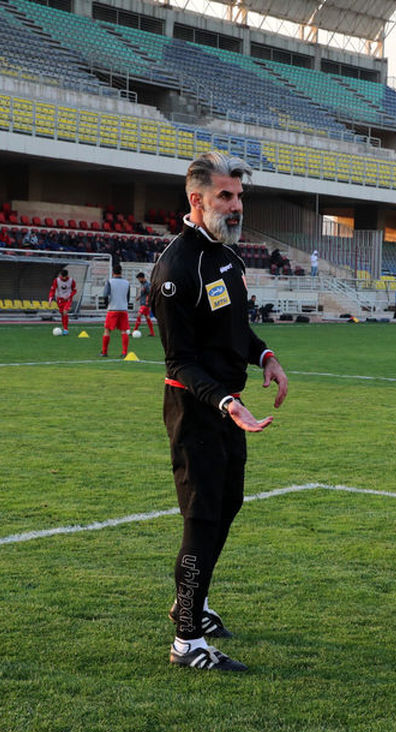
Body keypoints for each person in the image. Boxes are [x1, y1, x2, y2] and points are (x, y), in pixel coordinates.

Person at [150, 152, 288, 672]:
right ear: (197, 200)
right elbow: (179, 361)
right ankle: (187, 643)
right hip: (196, 409)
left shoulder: (229, 258)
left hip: (230, 408)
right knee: (202, 516)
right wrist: (227, 402)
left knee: (227, 505)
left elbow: (236, 332)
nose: (236, 206)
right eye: (225, 197)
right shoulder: (176, 268)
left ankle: (190, 601)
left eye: (239, 196)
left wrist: (265, 357)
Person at [100, 264, 131, 358]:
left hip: (113, 309)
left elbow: (105, 295)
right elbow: (128, 297)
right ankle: (124, 352)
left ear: (113, 272)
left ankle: (104, 352)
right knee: (124, 331)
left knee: (107, 330)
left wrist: (106, 305)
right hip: (123, 309)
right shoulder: (127, 283)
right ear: (121, 272)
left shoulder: (110, 282)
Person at [48, 268, 77, 333]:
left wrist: (70, 296)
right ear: (61, 275)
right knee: (62, 314)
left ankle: (66, 329)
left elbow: (74, 290)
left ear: (67, 275)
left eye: (65, 277)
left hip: (68, 299)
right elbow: (52, 290)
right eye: (62, 277)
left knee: (65, 312)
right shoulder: (56, 280)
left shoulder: (71, 281)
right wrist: (50, 299)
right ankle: (64, 327)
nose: (64, 278)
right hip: (60, 299)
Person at [132, 271, 155, 336]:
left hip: (145, 304)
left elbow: (150, 293)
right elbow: (144, 294)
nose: (139, 280)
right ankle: (152, 333)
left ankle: (134, 330)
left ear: (142, 278)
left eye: (139, 279)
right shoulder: (143, 285)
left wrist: (148, 301)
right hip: (143, 303)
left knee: (139, 315)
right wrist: (138, 297)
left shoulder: (147, 285)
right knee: (147, 317)